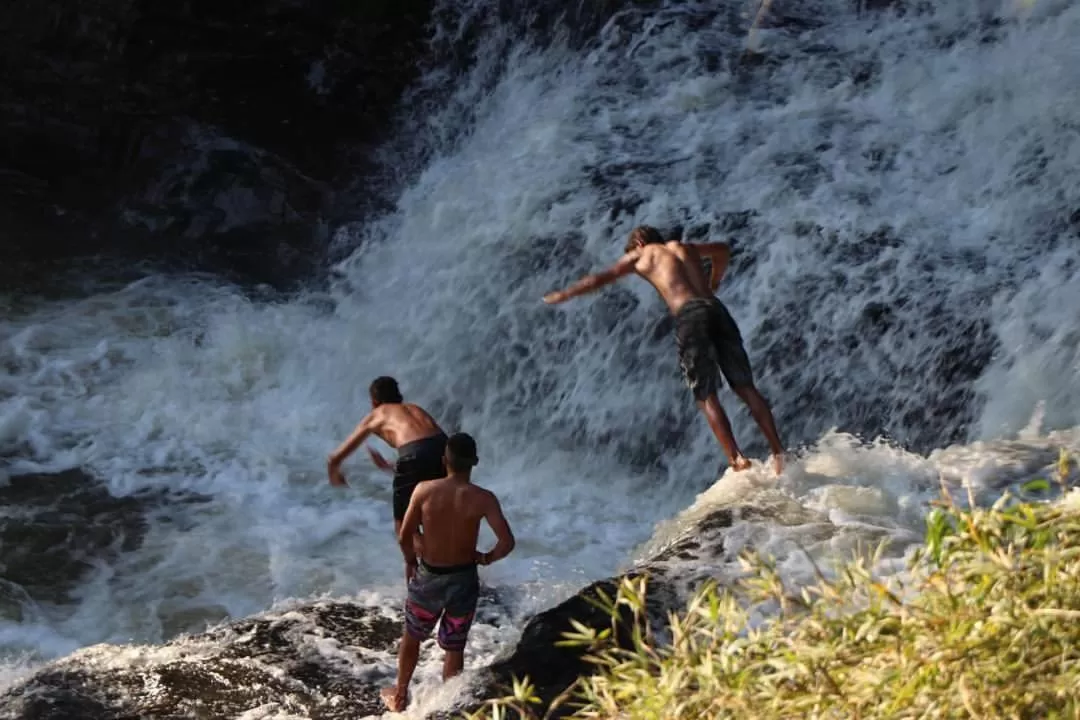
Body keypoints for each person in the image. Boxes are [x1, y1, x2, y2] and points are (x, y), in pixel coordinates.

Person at [542, 225, 786, 475]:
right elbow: (723, 250)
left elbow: (601, 278)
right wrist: (714, 279)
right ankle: (778, 452)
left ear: (638, 243)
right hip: (716, 309)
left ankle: (737, 459)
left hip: (689, 316)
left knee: (705, 394)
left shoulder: (643, 254)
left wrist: (565, 294)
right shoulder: (684, 247)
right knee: (745, 387)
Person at [380, 432, 516, 713]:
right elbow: (507, 542)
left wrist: (409, 561)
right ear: (475, 462)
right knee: (454, 647)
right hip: (464, 580)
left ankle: (400, 693)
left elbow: (405, 535)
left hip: (429, 577)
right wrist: (486, 558)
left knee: (412, 636)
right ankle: (449, 705)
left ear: (444, 460)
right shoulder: (484, 498)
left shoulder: (424, 490)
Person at [327, 376, 448, 544]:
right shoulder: (415, 409)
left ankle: (413, 566)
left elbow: (334, 458)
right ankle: (450, 560)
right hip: (446, 450)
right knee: (437, 515)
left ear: (374, 402)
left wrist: (335, 474)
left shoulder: (378, 414)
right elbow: (427, 449)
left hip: (416, 455)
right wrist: (389, 467)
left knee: (405, 525)